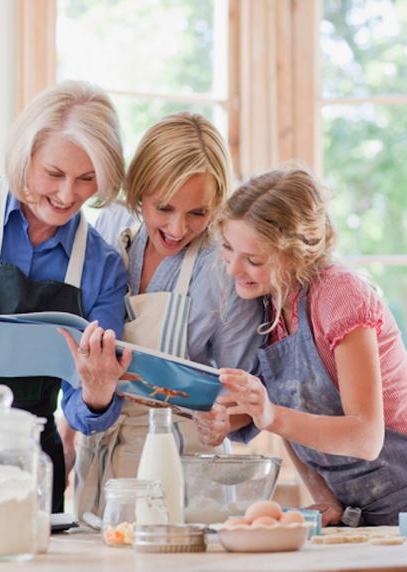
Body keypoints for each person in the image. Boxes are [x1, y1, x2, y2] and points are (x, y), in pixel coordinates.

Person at [203, 168, 407, 526]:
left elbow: (365, 437)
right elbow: (288, 417)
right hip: (356, 516)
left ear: (296, 255)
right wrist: (323, 497)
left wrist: (271, 415)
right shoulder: (270, 307)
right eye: (228, 250)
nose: (234, 269)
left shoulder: (340, 297)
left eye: (253, 260)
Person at [0, 80, 132, 512]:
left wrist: (97, 391)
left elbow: (87, 412)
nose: (68, 194)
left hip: (25, 480)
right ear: (24, 155)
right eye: (53, 174)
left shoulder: (101, 266)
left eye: (87, 179)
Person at [68, 112, 265, 521]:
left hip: (184, 471)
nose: (178, 227)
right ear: (139, 192)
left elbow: (247, 391)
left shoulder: (223, 269)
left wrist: (225, 419)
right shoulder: (113, 225)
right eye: (165, 208)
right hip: (104, 455)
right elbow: (86, 353)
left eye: (198, 213)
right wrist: (69, 435)